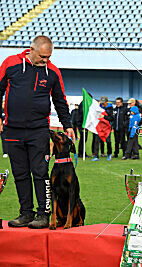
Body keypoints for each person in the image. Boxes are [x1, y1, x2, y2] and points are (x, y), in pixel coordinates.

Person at [0, 35, 74, 228]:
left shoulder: (53, 72)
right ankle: (25, 213)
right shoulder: (10, 64)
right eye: (42, 56)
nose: (45, 60)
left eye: (48, 57)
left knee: (40, 173)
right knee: (20, 174)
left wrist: (68, 125)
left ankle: (43, 214)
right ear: (31, 50)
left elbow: (60, 101)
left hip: (39, 131)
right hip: (13, 131)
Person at [92, 96, 113, 161]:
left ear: (107, 102)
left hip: (107, 128)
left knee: (108, 141)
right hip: (99, 127)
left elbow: (111, 118)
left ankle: (109, 154)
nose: (103, 104)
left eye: (104, 103)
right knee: (96, 141)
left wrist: (104, 117)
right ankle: (96, 156)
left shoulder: (110, 108)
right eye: (102, 102)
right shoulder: (98, 107)